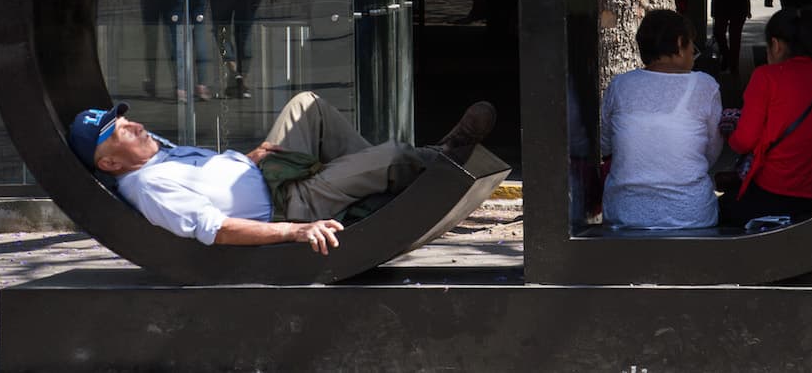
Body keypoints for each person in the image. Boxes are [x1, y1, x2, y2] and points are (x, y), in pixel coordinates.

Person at [68, 93, 496, 253]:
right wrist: (295, 232)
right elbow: (215, 229)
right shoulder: (148, 185)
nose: (133, 125)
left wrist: (244, 160)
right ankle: (436, 156)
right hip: (287, 204)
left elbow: (210, 178)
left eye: (124, 120)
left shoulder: (152, 152)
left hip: (268, 173)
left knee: (307, 107)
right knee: (390, 158)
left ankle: (387, 181)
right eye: (119, 132)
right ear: (109, 164)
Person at [719, 8, 812, 227]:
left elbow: (743, 142)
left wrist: (731, 128)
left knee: (714, 213)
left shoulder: (766, 77)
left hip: (772, 194)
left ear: (776, 44)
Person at [601, 9, 723, 229]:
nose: (692, 56)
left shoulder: (620, 86)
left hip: (625, 213)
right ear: (679, 44)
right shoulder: (705, 86)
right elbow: (711, 151)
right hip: (691, 215)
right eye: (691, 46)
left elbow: (605, 144)